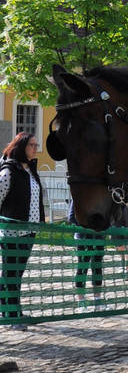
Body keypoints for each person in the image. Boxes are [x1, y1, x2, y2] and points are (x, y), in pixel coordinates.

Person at [0, 132, 44, 330]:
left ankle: (10, 310)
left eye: (36, 145)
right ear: (22, 147)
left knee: (16, 273)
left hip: (29, 231)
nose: (36, 148)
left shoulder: (31, 170)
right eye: (32, 145)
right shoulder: (8, 171)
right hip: (11, 232)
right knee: (12, 273)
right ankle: (11, 314)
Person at [70, 199, 106, 310]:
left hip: (99, 237)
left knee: (97, 267)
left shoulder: (102, 197)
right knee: (82, 267)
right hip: (83, 237)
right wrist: (88, 228)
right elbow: (71, 217)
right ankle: (81, 302)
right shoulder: (79, 196)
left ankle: (98, 302)